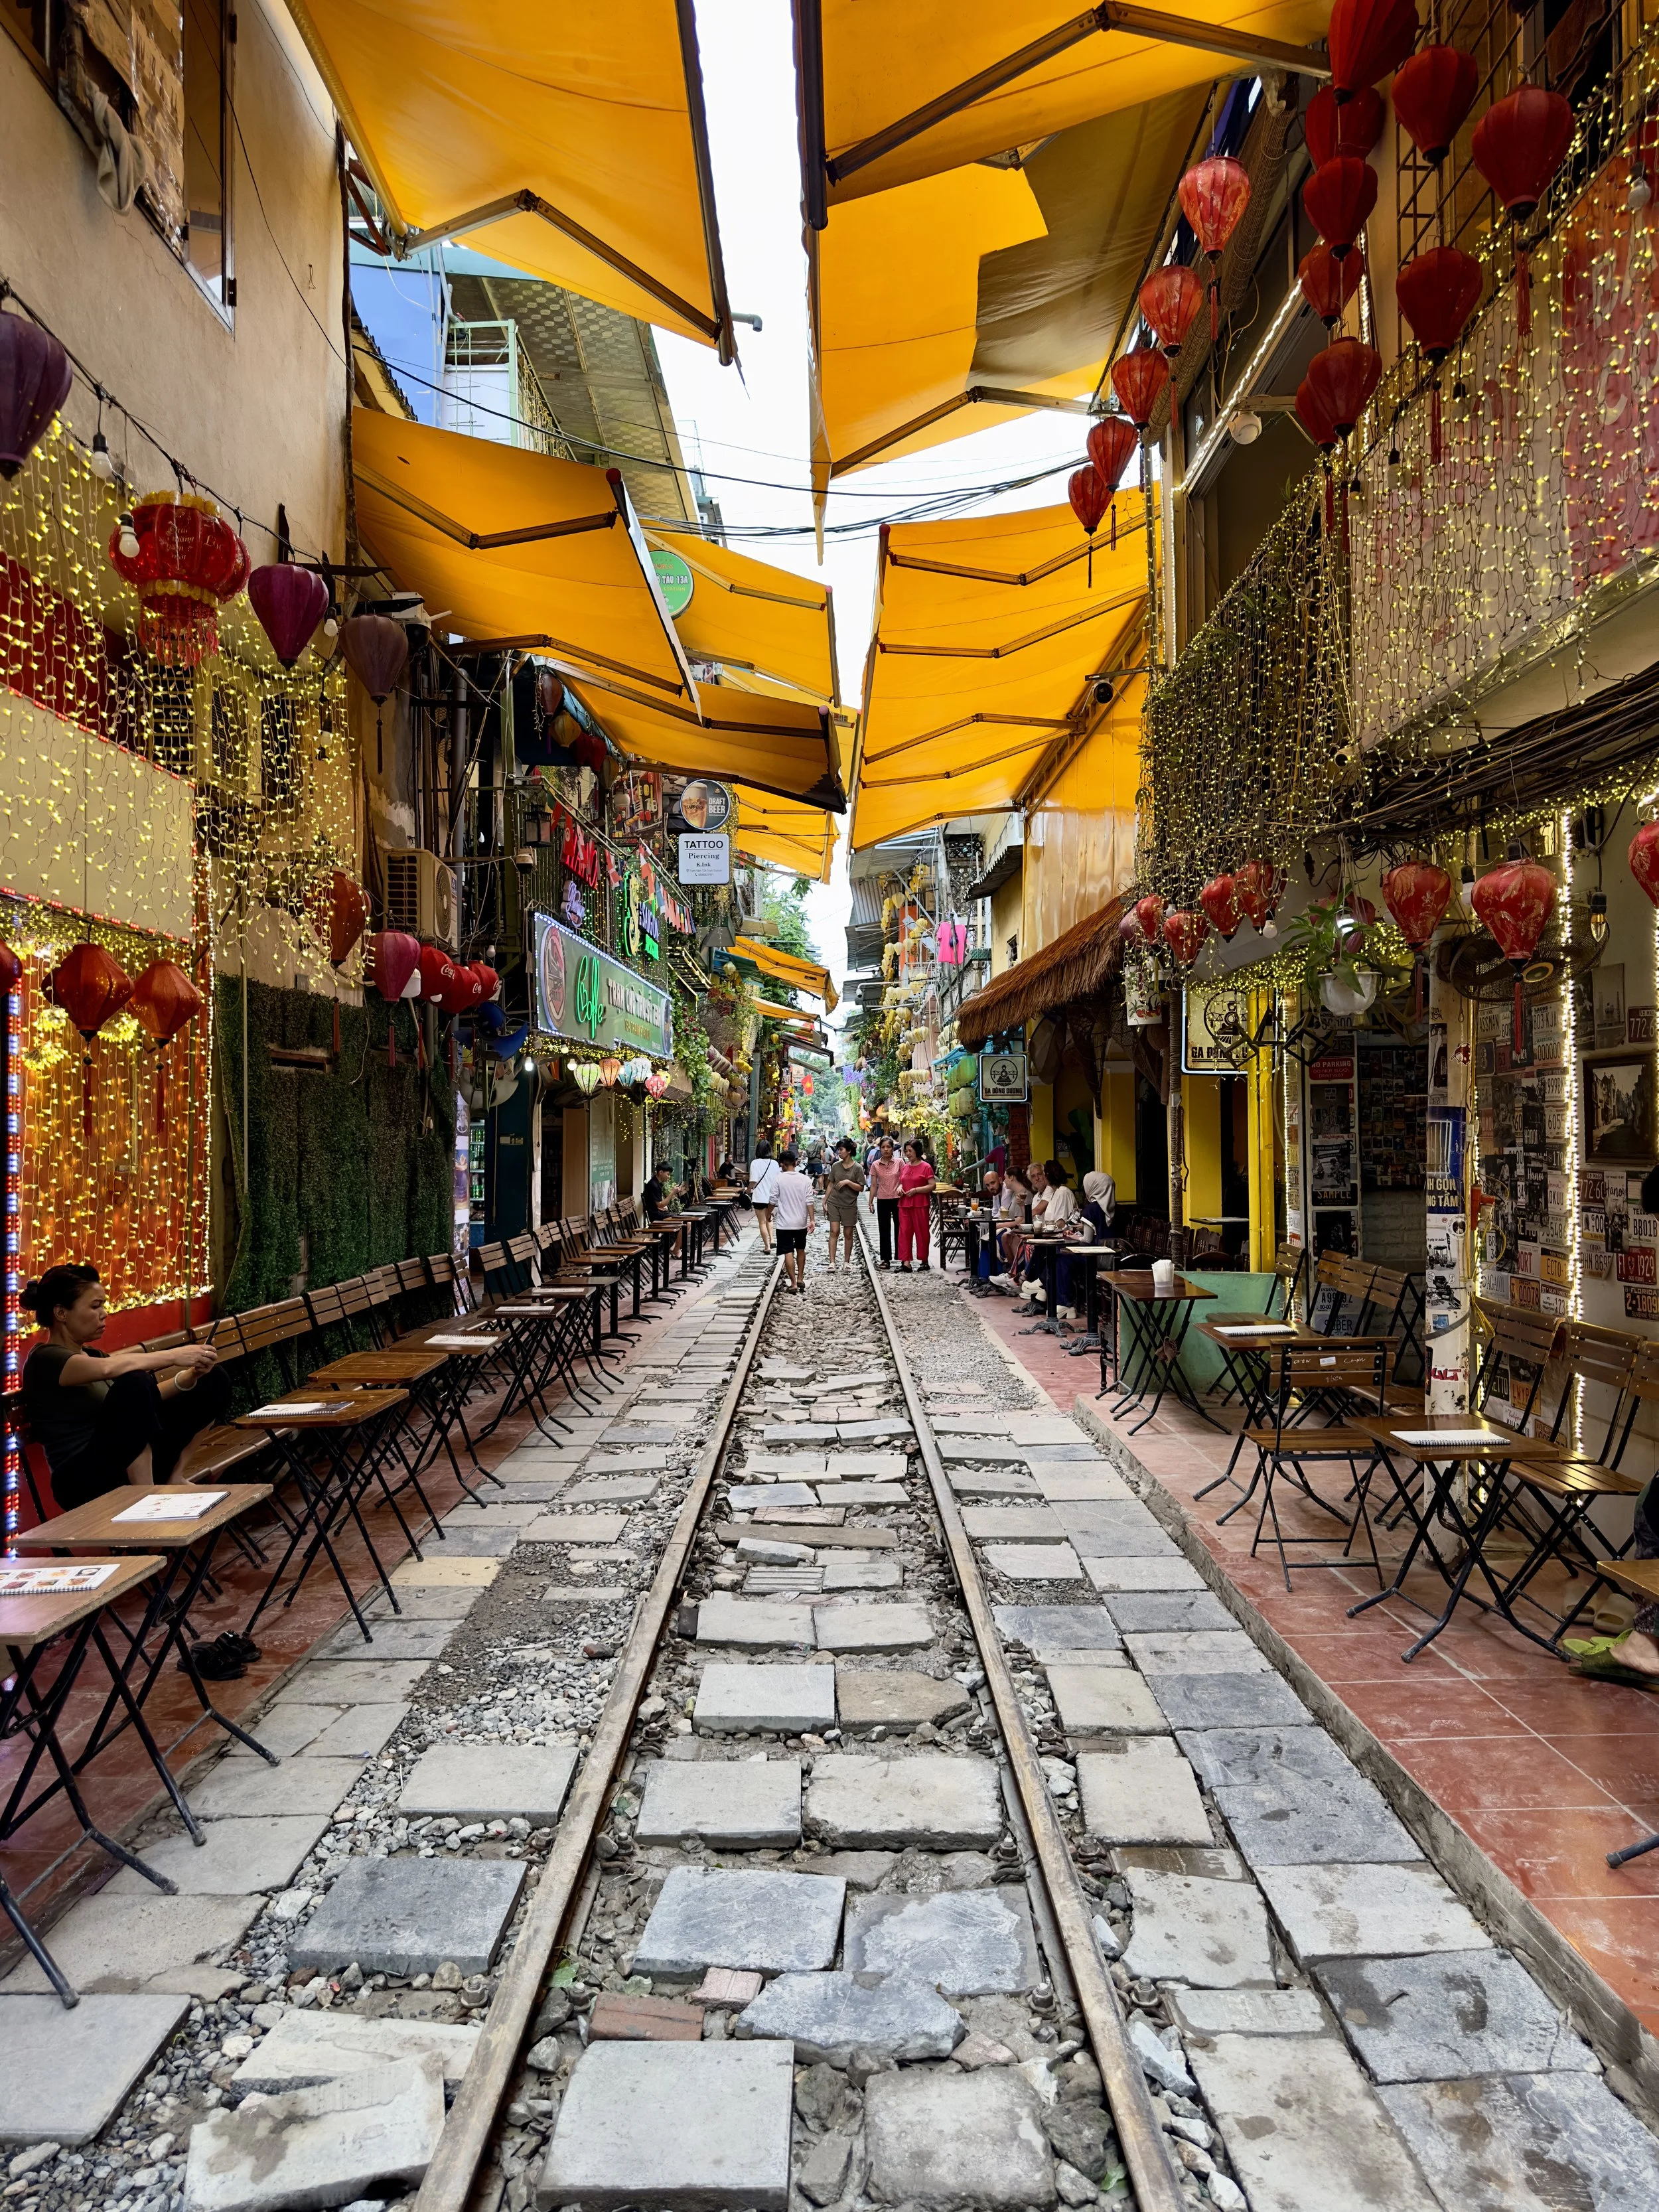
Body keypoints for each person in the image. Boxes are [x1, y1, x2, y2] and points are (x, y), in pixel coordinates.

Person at [21, 1264, 226, 1512]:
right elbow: (113, 1372)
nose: (104, 1314)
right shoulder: (45, 1359)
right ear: (61, 1313)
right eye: (95, 1306)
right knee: (135, 1381)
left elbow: (143, 1401)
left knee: (212, 1380)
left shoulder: (92, 1355)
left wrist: (191, 1376)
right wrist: (175, 1356)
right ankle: (149, 1501)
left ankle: (175, 1477)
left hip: (116, 1463)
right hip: (81, 1479)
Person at [1052, 1169, 1116, 1325]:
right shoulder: (1114, 1208)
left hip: (1096, 1258)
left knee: (1061, 1258)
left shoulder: (1090, 1210)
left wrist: (1073, 1237)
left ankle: (1064, 1303)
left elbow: (1087, 1241)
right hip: (1113, 1256)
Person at [772, 1147, 816, 1293]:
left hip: (784, 1224)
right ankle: (801, 1278)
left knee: (788, 1252)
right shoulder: (805, 1179)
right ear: (795, 1163)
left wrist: (767, 1214)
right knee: (801, 1249)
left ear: (782, 1164)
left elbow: (772, 1200)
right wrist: (812, 1220)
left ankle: (793, 1283)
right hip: (800, 1223)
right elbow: (809, 1200)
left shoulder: (778, 1179)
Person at [824, 1138, 865, 1271]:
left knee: (848, 1233)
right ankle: (832, 1262)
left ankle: (847, 1262)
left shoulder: (857, 1168)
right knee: (834, 1231)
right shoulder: (836, 1166)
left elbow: (861, 1188)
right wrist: (825, 1200)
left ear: (849, 1151)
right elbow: (831, 1184)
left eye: (841, 1150)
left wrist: (848, 1182)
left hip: (850, 1204)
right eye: (838, 1150)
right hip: (834, 1202)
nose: (839, 1152)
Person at [897, 1139, 936, 1271]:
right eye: (906, 1151)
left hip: (920, 1204)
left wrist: (916, 1190)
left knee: (922, 1232)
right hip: (905, 1203)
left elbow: (932, 1185)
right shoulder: (905, 1167)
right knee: (904, 1232)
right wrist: (900, 1188)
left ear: (917, 1151)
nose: (908, 1154)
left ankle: (924, 1260)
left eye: (910, 1151)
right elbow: (902, 1182)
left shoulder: (926, 1167)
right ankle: (906, 1262)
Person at [868, 1136, 904, 1268]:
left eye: (888, 1147)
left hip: (898, 1199)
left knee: (900, 1228)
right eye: (883, 1147)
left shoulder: (900, 1162)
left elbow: (904, 1179)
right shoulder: (876, 1165)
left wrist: (901, 1186)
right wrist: (870, 1202)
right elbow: (873, 1185)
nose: (886, 1150)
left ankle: (902, 1257)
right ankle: (886, 1259)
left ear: (892, 1148)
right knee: (884, 1229)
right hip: (882, 1199)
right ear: (880, 1148)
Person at [749, 1142, 781, 1252]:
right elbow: (778, 1180)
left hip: (759, 1197)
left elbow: (753, 1181)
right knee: (769, 1219)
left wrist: (748, 1190)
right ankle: (772, 1240)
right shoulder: (775, 1163)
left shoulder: (755, 1163)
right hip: (772, 1197)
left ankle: (767, 1247)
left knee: (762, 1222)